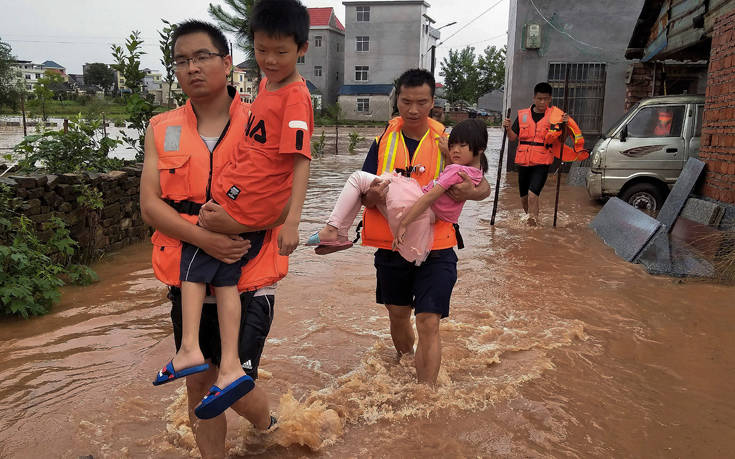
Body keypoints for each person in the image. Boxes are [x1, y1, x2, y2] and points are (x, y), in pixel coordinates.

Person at [139, 8, 308, 454]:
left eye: (202, 56)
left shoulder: (263, 116)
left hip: (250, 276)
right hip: (190, 273)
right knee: (199, 388)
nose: (191, 67)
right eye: (180, 60)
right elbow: (150, 205)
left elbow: (285, 195)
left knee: (234, 386)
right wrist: (203, 237)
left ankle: (268, 426)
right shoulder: (161, 129)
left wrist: (236, 228)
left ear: (228, 61)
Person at [329, 68, 490, 386]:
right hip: (392, 243)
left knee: (429, 320)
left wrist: (473, 192)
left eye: (422, 102)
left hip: (438, 244)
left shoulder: (450, 142)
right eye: (406, 101)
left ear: (433, 102)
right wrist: (371, 196)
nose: (414, 110)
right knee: (398, 315)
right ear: (396, 100)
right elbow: (362, 191)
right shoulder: (382, 141)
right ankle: (405, 362)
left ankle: (425, 395)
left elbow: (483, 183)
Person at [308, 118, 488, 266]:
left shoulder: (450, 156)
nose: (455, 149)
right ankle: (338, 234)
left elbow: (430, 197)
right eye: (407, 101)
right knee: (366, 185)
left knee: (357, 178)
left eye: (462, 146)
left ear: (431, 102)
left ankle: (334, 230)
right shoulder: (473, 169)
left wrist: (404, 224)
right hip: (424, 215)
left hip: (416, 207)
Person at [502, 82, 579, 226]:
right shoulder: (523, 115)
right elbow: (513, 137)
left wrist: (564, 126)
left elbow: (561, 140)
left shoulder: (555, 117)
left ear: (550, 99)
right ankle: (531, 221)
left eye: (545, 99)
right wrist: (507, 128)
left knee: (532, 195)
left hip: (542, 163)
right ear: (534, 98)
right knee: (524, 198)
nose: (542, 102)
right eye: (539, 99)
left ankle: (534, 228)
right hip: (523, 162)